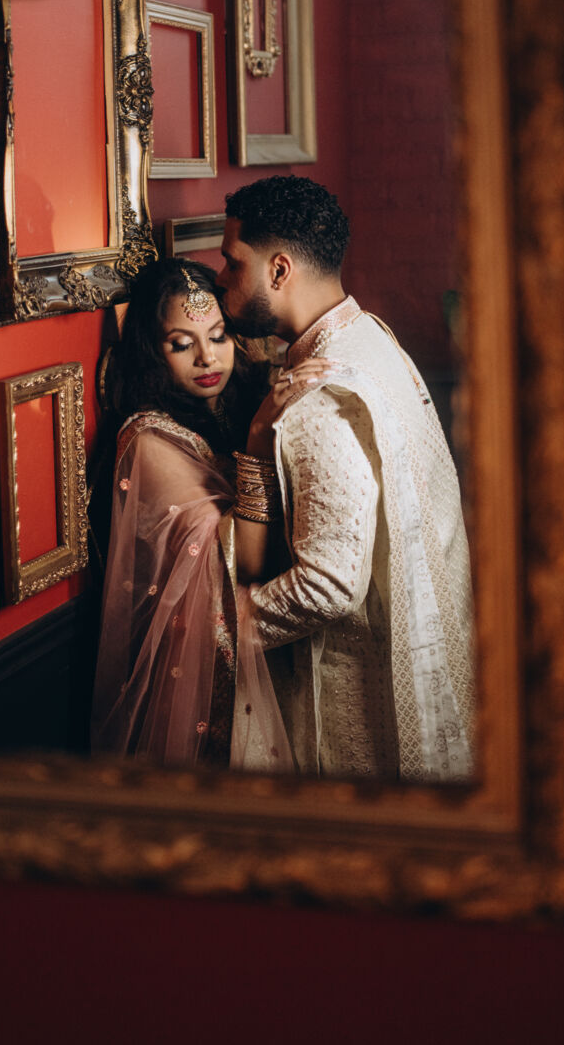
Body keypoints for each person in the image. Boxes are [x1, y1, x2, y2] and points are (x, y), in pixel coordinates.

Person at [218, 175, 477, 784]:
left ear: (279, 270)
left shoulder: (321, 396)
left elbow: (330, 584)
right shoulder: (373, 336)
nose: (223, 278)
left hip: (361, 699)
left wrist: (228, 624)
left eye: (232, 262)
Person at [89, 257, 296, 771]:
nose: (208, 357)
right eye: (182, 344)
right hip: (201, 670)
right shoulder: (149, 438)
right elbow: (243, 561)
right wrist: (258, 441)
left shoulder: (235, 402)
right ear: (151, 351)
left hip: (271, 639)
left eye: (219, 336)